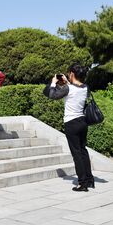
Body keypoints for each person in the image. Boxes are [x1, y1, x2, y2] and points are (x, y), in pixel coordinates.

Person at [47, 63, 94, 192]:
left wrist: (53, 83)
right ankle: (89, 180)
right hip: (82, 122)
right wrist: (68, 82)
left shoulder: (68, 88)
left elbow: (52, 95)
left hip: (71, 123)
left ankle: (82, 183)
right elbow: (75, 88)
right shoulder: (85, 87)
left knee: (76, 154)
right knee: (83, 151)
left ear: (72, 74)